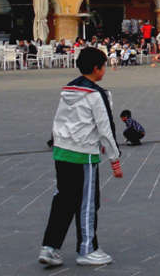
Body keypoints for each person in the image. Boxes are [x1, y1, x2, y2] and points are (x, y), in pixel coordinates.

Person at [38, 47, 123, 267]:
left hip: (61, 150)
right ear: (97, 69)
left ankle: (50, 247)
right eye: (103, 66)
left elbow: (60, 120)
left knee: (63, 200)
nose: (104, 71)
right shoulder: (96, 94)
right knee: (87, 202)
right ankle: (87, 248)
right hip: (83, 153)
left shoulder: (68, 89)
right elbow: (106, 128)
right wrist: (114, 158)